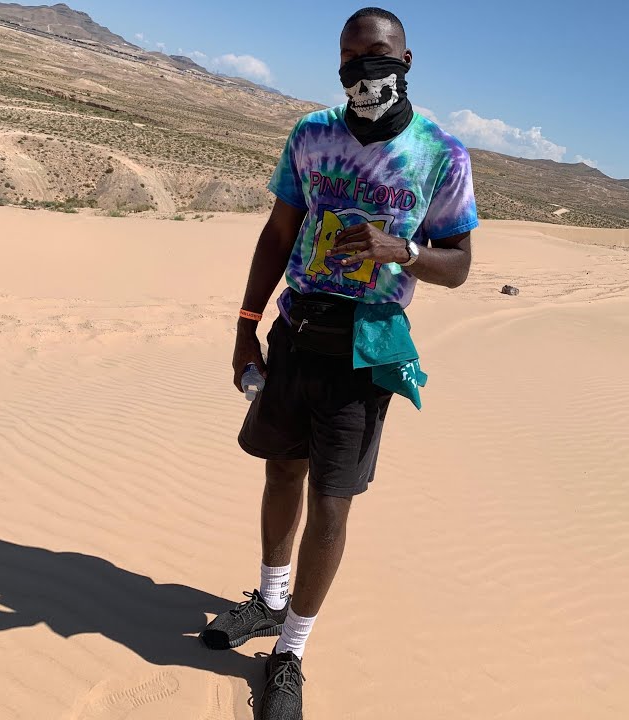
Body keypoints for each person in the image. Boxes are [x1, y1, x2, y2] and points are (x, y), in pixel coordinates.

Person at [200, 7, 478, 718]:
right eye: (350, 58)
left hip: (366, 348)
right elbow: (278, 233)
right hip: (297, 333)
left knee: (331, 501)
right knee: (281, 471)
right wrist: (246, 327)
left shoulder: (441, 153)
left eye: (376, 55)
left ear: (406, 61)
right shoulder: (312, 134)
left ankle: (291, 651)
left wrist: (404, 251)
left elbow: (460, 265)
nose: (363, 70)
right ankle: (269, 601)